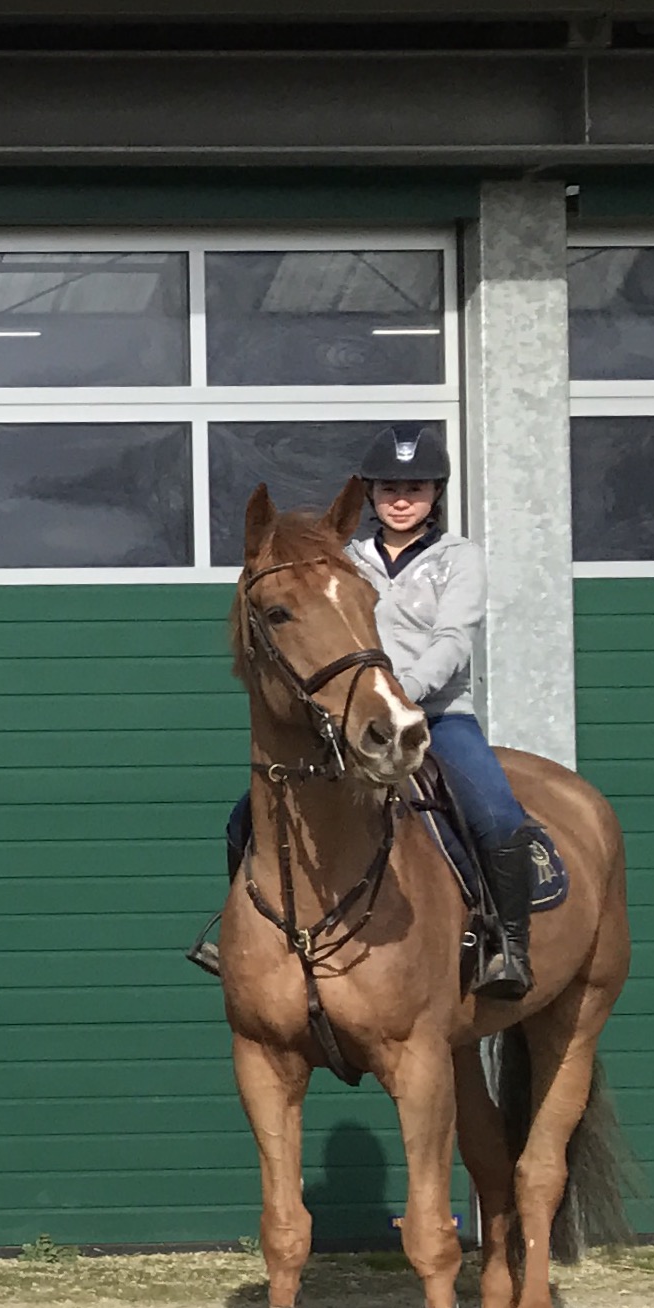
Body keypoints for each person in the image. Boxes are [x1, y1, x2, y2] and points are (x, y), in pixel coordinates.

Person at [190, 424, 533, 1000]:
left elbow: (454, 636)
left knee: (496, 815)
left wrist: (400, 694)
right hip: (347, 720)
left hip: (436, 715)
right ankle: (243, 941)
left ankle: (507, 945)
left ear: (436, 494)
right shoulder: (341, 560)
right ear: (371, 495)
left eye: (417, 487)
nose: (402, 499)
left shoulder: (459, 559)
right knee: (245, 817)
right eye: (389, 487)